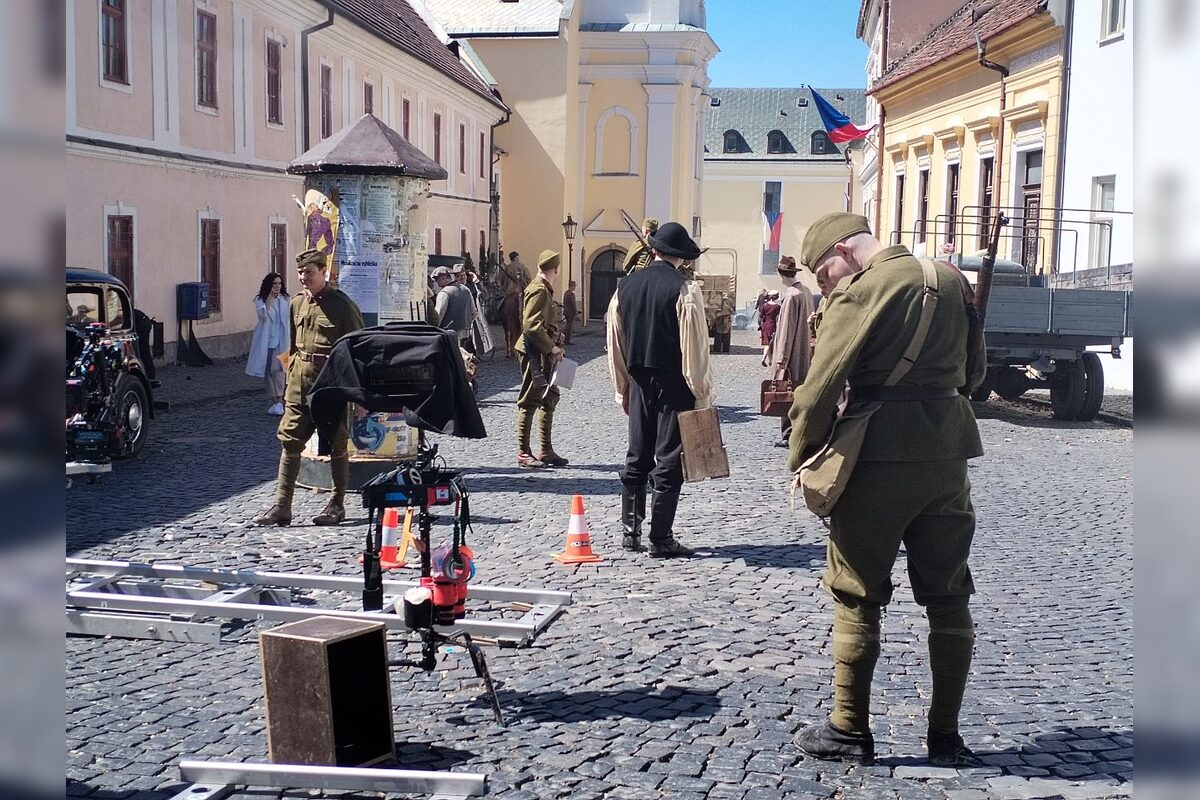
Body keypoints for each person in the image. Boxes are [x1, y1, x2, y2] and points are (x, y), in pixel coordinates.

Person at [786, 213, 986, 768]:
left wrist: (803, 458)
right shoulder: (952, 281)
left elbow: (817, 390)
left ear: (846, 250)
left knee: (856, 591)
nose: (825, 283)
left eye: (824, 271)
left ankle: (849, 730)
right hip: (948, 457)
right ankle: (945, 736)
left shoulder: (861, 291)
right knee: (948, 594)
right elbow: (975, 374)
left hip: (876, 459)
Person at [607, 221, 714, 557]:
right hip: (674, 383)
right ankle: (661, 537)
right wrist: (701, 392)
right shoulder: (684, 290)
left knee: (637, 454)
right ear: (681, 257)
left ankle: (631, 533)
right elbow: (694, 346)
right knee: (668, 458)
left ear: (653, 249)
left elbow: (615, 342)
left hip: (638, 381)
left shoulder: (624, 287)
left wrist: (622, 386)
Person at [254, 249, 365, 527]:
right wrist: (289, 380)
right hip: (299, 384)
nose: (304, 278)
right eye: (301, 273)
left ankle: (337, 504)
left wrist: (359, 395)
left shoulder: (342, 305)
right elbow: (293, 347)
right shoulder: (297, 304)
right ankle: (282, 506)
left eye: (309, 272)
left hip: (329, 385)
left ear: (323, 272)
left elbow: (358, 350)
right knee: (290, 441)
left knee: (336, 444)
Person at [513, 251, 567, 468]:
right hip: (533, 352)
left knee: (550, 396)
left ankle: (546, 450)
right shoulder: (538, 289)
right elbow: (531, 326)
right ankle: (523, 452)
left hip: (542, 352)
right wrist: (551, 347)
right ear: (556, 269)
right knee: (529, 399)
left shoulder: (543, 288)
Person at [772, 256, 814, 447]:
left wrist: (781, 360)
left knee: (786, 393)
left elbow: (786, 332)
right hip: (805, 351)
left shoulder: (791, 295)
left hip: (792, 354)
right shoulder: (805, 291)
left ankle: (789, 434)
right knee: (799, 392)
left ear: (781, 275)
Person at [245, 272, 290, 416]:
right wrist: (269, 298)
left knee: (280, 370)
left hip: (282, 339)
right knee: (268, 372)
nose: (277, 287)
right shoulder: (261, 300)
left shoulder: (285, 299)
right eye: (274, 284)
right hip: (268, 340)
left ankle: (280, 401)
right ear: (268, 285)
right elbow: (263, 316)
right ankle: (275, 401)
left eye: (279, 284)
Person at [434, 265, 476, 354]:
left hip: (449, 333)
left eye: (437, 279)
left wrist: (434, 329)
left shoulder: (444, 293)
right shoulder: (466, 289)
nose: (436, 282)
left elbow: (439, 315)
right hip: (465, 332)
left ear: (443, 278)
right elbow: (474, 312)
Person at [499, 251, 528, 358]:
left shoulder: (506, 268)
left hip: (508, 294)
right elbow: (528, 280)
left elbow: (501, 281)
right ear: (516, 257)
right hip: (520, 294)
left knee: (499, 308)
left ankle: (508, 348)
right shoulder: (523, 267)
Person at [758, 290, 781, 366]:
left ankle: (770, 360)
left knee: (766, 344)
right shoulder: (777, 307)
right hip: (772, 325)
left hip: (765, 325)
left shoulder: (765, 305)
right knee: (769, 344)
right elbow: (779, 317)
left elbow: (761, 316)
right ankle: (764, 359)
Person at [562, 280, 578, 345]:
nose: (575, 287)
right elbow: (573, 304)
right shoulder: (571, 294)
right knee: (569, 327)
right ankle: (567, 340)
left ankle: (564, 338)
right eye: (574, 286)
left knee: (568, 326)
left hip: (566, 311)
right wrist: (576, 312)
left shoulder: (566, 293)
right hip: (571, 313)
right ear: (572, 286)